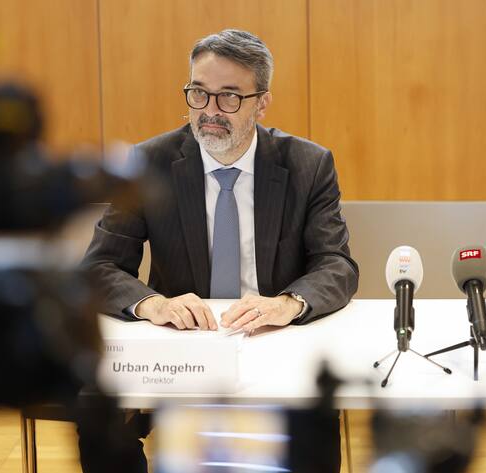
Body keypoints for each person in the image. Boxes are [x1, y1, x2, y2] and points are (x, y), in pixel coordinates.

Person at [81, 29, 358, 473]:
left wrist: (289, 303)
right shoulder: (149, 163)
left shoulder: (307, 164)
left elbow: (336, 263)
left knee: (315, 431)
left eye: (229, 97)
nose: (210, 111)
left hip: (273, 346)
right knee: (96, 420)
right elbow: (98, 266)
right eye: (199, 93)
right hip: (180, 351)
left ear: (261, 102)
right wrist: (150, 304)